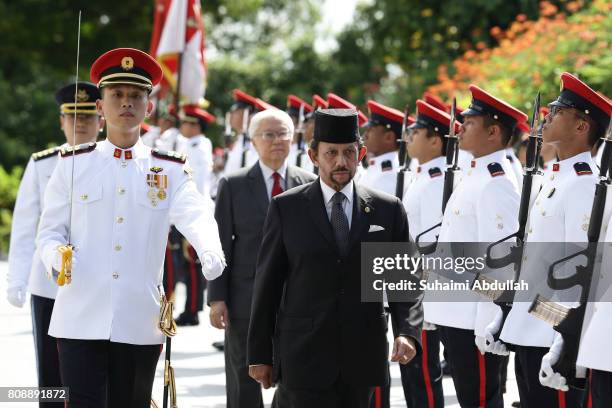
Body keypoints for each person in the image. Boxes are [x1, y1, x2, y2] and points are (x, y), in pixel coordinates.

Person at [36, 48, 226, 407]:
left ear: (148, 108)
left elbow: (195, 212)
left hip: (137, 318)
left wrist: (209, 250)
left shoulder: (168, 169)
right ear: (100, 106)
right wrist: (53, 257)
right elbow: (48, 232)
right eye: (117, 95)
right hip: (80, 313)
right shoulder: (73, 164)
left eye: (136, 96)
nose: (127, 103)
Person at [247, 108, 423, 407]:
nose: (341, 162)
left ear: (361, 153)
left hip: (362, 358)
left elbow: (402, 283)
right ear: (314, 156)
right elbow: (268, 287)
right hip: (303, 356)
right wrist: (260, 355)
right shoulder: (287, 208)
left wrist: (407, 332)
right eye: (331, 153)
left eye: (349, 152)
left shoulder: (387, 209)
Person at [495, 72, 610, 407]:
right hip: (529, 327)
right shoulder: (553, 180)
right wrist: (506, 315)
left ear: (581, 127)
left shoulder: (584, 185)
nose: (547, 117)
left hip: (549, 334)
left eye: (558, 112)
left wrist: (564, 341)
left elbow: (580, 273)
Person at [424, 85, 526, 408]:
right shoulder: (475, 174)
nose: (460, 127)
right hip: (454, 312)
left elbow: (501, 260)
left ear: (493, 131)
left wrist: (489, 320)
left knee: (481, 401)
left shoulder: (497, 183)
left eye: (470, 122)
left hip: (473, 317)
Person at [208, 108, 315, 408]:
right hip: (245, 298)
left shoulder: (309, 183)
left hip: (295, 300)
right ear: (253, 141)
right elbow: (220, 246)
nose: (277, 140)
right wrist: (217, 298)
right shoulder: (233, 184)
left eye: (284, 133)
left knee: (295, 378)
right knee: (244, 380)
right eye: (269, 134)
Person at [7, 81, 102, 408]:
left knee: (94, 372)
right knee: (51, 372)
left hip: (97, 284)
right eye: (72, 116)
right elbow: (24, 224)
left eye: (88, 116)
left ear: (100, 120)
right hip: (50, 286)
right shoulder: (44, 163)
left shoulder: (115, 162)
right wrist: (17, 279)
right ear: (61, 120)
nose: (80, 123)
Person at [401, 99, 459, 408]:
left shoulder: (437, 181)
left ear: (436, 140)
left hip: (423, 286)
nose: (408, 137)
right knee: (412, 369)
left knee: (423, 370)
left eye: (416, 131)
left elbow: (436, 242)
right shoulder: (423, 174)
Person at [173, 105, 216, 326]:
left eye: (187, 122)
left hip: (193, 208)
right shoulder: (189, 144)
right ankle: (190, 308)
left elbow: (196, 183)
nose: (182, 126)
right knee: (187, 265)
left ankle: (192, 310)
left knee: (192, 264)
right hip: (188, 208)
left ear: (196, 126)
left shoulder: (199, 146)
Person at [359, 100, 404, 196]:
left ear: (389, 137)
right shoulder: (378, 168)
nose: (365, 135)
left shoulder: (387, 175)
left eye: (370, 130)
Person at [224, 89, 260, 174]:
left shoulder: (252, 142)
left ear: (246, 114)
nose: (231, 115)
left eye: (235, 112)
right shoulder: (239, 140)